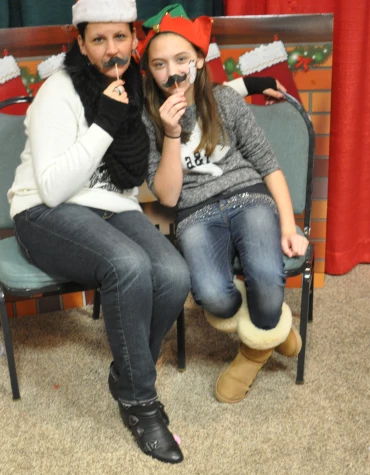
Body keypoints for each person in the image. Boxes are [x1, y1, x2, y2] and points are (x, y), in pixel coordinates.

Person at [8, 0, 187, 464]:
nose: (113, 50)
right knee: (127, 266)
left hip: (109, 206)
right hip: (43, 211)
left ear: (134, 37)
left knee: (172, 272)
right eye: (99, 40)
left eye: (120, 38)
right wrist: (104, 123)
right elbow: (52, 187)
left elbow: (138, 179)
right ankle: (140, 403)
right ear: (82, 44)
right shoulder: (59, 91)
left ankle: (128, 372)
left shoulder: (135, 88)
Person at [137, 10, 310, 404]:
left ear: (199, 59)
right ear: (149, 71)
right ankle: (277, 332)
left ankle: (254, 351)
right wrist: (170, 133)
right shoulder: (149, 120)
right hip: (195, 212)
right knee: (212, 295)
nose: (173, 73)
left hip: (249, 196)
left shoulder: (226, 100)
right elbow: (167, 196)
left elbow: (268, 164)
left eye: (182, 60)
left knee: (268, 279)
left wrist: (288, 225)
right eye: (160, 65)